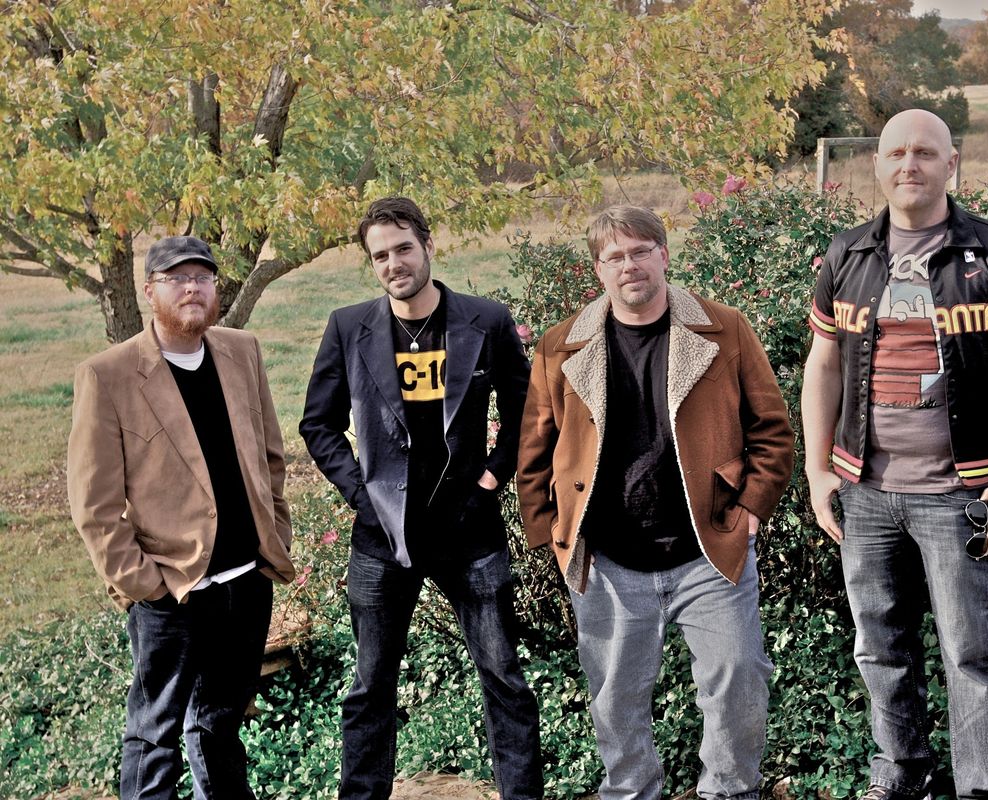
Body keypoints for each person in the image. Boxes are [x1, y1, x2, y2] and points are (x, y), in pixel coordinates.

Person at [801, 109, 988, 800]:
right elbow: (822, 365)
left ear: (952, 164)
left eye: (923, 152)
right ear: (877, 165)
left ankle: (985, 790)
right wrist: (818, 469)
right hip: (865, 492)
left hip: (960, 495)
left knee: (970, 654)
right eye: (895, 153)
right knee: (879, 645)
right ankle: (900, 777)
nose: (908, 165)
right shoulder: (847, 256)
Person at [516, 205, 794, 800]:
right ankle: (631, 793)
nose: (630, 265)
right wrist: (551, 534)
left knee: (738, 678)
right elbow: (535, 447)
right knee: (615, 698)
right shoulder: (561, 346)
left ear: (664, 255)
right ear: (598, 270)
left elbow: (772, 430)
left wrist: (751, 509)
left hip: (709, 549)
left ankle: (731, 791)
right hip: (609, 560)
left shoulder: (723, 329)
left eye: (641, 251)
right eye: (614, 256)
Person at [299, 196, 542, 800]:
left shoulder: (485, 321)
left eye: (403, 248)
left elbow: (529, 412)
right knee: (370, 685)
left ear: (429, 246)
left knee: (504, 677)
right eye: (379, 255)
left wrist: (492, 478)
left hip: (470, 530)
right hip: (382, 537)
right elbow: (318, 424)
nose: (393, 264)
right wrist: (362, 496)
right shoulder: (348, 327)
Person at [67, 235, 295, 800]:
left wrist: (275, 536)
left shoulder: (242, 351)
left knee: (220, 727)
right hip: (174, 594)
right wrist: (145, 584)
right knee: (154, 739)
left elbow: (271, 457)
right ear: (150, 291)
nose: (192, 288)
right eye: (177, 279)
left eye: (203, 278)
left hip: (246, 583)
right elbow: (94, 505)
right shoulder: (108, 375)